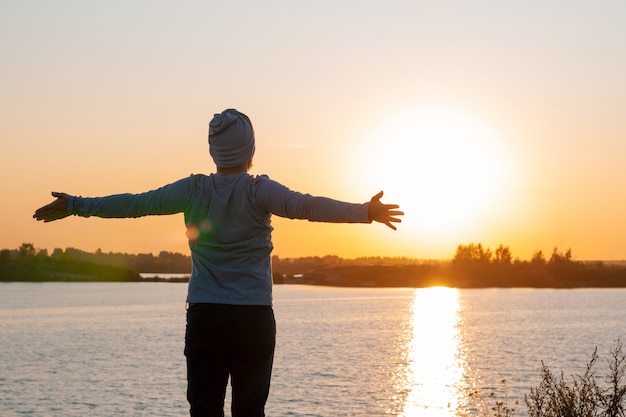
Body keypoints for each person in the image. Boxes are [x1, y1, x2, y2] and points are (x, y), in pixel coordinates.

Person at [33, 108, 404, 417]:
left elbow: (135, 203)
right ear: (250, 149)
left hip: (206, 317)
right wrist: (365, 211)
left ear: (214, 151)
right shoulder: (260, 191)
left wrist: (77, 205)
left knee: (204, 412)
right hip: (252, 318)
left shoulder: (193, 190)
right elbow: (308, 206)